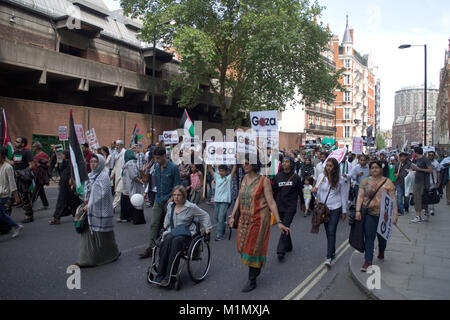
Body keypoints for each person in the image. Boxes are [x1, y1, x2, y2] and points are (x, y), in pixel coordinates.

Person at [228, 155, 290, 293]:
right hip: (244, 219)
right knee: (243, 247)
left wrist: (279, 221)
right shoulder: (244, 179)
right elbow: (239, 197)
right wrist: (232, 216)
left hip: (259, 219)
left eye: (247, 163)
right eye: (243, 163)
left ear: (254, 165)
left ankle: (252, 279)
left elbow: (271, 202)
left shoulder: (264, 181)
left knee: (253, 248)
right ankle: (254, 271)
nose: (244, 165)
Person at [154, 185, 212, 286]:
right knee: (166, 240)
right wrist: (164, 227)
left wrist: (207, 231)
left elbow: (205, 216)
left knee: (175, 241)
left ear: (184, 196)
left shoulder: (191, 207)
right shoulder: (171, 205)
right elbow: (168, 217)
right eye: (174, 195)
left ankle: (170, 275)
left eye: (179, 195)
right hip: (172, 232)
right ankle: (160, 274)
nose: (176, 197)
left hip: (186, 234)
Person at [76, 154, 121, 268]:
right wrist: (77, 192)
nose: (93, 164)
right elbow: (85, 192)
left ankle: (112, 253)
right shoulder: (90, 176)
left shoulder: (104, 176)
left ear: (100, 163)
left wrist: (90, 204)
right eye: (91, 161)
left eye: (95, 161)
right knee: (88, 236)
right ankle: (86, 259)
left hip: (101, 211)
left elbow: (103, 193)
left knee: (105, 236)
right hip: (90, 210)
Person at [355, 160, 398, 271]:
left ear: (381, 169)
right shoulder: (365, 182)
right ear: (370, 170)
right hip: (369, 214)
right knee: (369, 237)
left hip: (384, 216)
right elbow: (360, 196)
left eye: (377, 167)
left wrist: (395, 215)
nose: (374, 169)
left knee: (382, 238)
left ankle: (382, 250)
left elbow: (393, 199)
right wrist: (358, 211)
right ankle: (368, 261)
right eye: (372, 167)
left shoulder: (388, 182)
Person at [139, 146, 181, 259]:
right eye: (155, 158)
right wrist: (144, 174)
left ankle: (169, 247)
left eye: (158, 158)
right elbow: (149, 181)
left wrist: (172, 198)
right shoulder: (156, 167)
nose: (156, 160)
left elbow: (177, 185)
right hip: (158, 199)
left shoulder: (173, 168)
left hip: (169, 199)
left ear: (164, 156)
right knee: (154, 224)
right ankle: (151, 247)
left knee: (169, 225)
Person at [312, 157, 348, 267]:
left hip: (336, 207)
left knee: (331, 230)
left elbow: (343, 195)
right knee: (328, 231)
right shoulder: (321, 177)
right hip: (324, 208)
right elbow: (317, 194)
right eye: (327, 165)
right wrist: (314, 191)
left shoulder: (340, 179)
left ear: (335, 167)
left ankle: (328, 257)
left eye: (331, 166)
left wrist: (344, 210)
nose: (328, 168)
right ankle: (332, 251)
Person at [272, 156, 304, 260]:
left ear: (291, 164)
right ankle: (289, 245)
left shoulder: (296, 177)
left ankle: (280, 251)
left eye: (287, 162)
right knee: (286, 226)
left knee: (284, 225)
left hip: (291, 207)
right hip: (280, 206)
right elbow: (274, 191)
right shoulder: (277, 177)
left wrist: (303, 204)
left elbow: (300, 192)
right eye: (283, 162)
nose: (285, 163)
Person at [48, 150, 83, 225]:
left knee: (74, 201)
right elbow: (61, 172)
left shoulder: (72, 163)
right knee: (61, 201)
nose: (62, 156)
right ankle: (57, 218)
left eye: (63, 154)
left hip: (70, 185)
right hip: (64, 185)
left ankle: (77, 215)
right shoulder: (64, 163)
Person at [5, 137, 34, 223]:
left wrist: (22, 172)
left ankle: (29, 216)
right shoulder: (16, 152)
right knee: (10, 198)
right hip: (15, 178)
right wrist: (5, 158)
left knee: (25, 197)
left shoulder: (27, 152)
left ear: (22, 144)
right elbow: (13, 163)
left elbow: (31, 165)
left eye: (17, 142)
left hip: (23, 179)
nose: (15, 143)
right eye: (15, 141)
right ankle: (5, 218)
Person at [208, 164, 237, 241]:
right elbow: (210, 169)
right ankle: (223, 225)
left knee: (220, 217)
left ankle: (219, 234)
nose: (221, 172)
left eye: (223, 171)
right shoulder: (217, 177)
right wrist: (208, 163)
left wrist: (234, 162)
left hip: (224, 201)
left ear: (226, 172)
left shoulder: (228, 178)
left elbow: (234, 170)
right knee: (216, 217)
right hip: (216, 200)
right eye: (220, 171)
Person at [0, 146, 23, 238]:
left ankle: (16, 226)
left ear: (2, 155)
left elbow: (12, 183)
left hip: (4, 194)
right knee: (2, 214)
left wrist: (16, 196)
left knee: (1, 214)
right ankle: (16, 226)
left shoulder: (8, 167)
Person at [118, 150, 146, 224]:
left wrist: (140, 180)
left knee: (133, 201)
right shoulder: (132, 163)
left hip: (130, 185)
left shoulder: (129, 164)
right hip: (130, 185)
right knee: (130, 201)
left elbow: (133, 176)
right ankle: (130, 217)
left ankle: (132, 217)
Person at [410, 147, 433, 223]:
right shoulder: (418, 160)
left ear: (416, 152)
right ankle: (425, 214)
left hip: (422, 182)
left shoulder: (425, 159)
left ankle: (418, 216)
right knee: (421, 199)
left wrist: (418, 169)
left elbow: (430, 170)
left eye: (414, 152)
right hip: (417, 180)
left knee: (418, 199)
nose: (413, 153)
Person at [31, 141, 50, 210]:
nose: (32, 148)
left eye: (34, 146)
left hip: (41, 175)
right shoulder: (35, 155)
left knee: (36, 189)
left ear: (37, 147)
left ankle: (30, 204)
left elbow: (48, 165)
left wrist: (41, 165)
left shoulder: (44, 155)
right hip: (36, 174)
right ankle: (45, 204)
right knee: (40, 190)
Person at [110, 140, 125, 210]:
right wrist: (112, 174)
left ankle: (113, 206)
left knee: (118, 192)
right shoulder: (116, 154)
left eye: (118, 145)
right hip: (117, 176)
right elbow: (115, 166)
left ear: (122, 145)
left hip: (123, 176)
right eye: (116, 145)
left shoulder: (124, 153)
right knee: (119, 192)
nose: (117, 146)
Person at [426, 150, 440, 216]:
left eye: (432, 155)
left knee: (432, 195)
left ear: (434, 156)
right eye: (429, 155)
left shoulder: (436, 163)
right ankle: (426, 209)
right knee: (425, 195)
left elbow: (438, 173)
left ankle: (431, 209)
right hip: (425, 181)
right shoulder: (425, 162)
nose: (431, 156)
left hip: (433, 181)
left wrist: (438, 182)